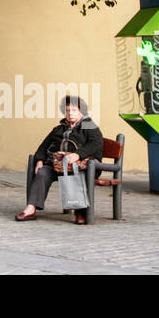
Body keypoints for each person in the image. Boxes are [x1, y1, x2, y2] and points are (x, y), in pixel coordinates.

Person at [15, 94, 104, 224]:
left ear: (81, 111)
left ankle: (80, 212)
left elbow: (96, 144)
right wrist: (39, 160)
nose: (70, 113)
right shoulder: (59, 128)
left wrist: (78, 154)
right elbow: (43, 145)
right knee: (42, 173)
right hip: (58, 166)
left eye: (74, 110)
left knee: (76, 174)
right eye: (67, 110)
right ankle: (30, 208)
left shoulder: (88, 125)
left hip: (83, 166)